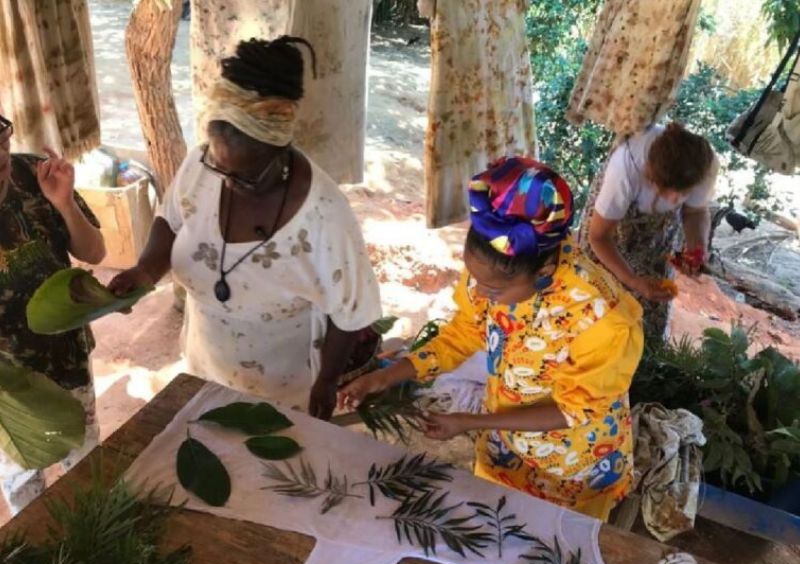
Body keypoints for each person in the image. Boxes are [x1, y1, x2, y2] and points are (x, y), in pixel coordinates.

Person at [340, 157, 644, 521]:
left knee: (552, 549)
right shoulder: (493, 270)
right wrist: (385, 376)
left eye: (493, 289)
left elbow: (571, 412)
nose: (479, 295)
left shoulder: (604, 320)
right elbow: (461, 335)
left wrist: (468, 423)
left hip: (571, 469)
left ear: (544, 270)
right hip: (505, 448)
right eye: (475, 280)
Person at [109, 37, 381, 420]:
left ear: (280, 150)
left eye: (247, 176)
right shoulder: (202, 165)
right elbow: (171, 218)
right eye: (220, 167)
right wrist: (146, 269)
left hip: (281, 389)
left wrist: (327, 381)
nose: (228, 182)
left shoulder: (324, 216)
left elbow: (350, 311)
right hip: (204, 365)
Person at [0, 112, 105, 515]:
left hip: (66, 358)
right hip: (8, 384)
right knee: (24, 481)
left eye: (4, 150)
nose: (3, 168)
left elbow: (94, 253)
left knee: (88, 467)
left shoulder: (34, 175)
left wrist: (64, 203)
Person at [578, 122, 719, 338]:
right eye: (669, 192)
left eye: (683, 193)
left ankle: (642, 354)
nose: (675, 201)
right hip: (608, 232)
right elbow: (599, 237)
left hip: (655, 234)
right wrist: (632, 280)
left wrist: (696, 247)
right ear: (649, 176)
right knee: (597, 299)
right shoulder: (625, 168)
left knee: (649, 303)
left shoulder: (703, 167)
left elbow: (695, 211)